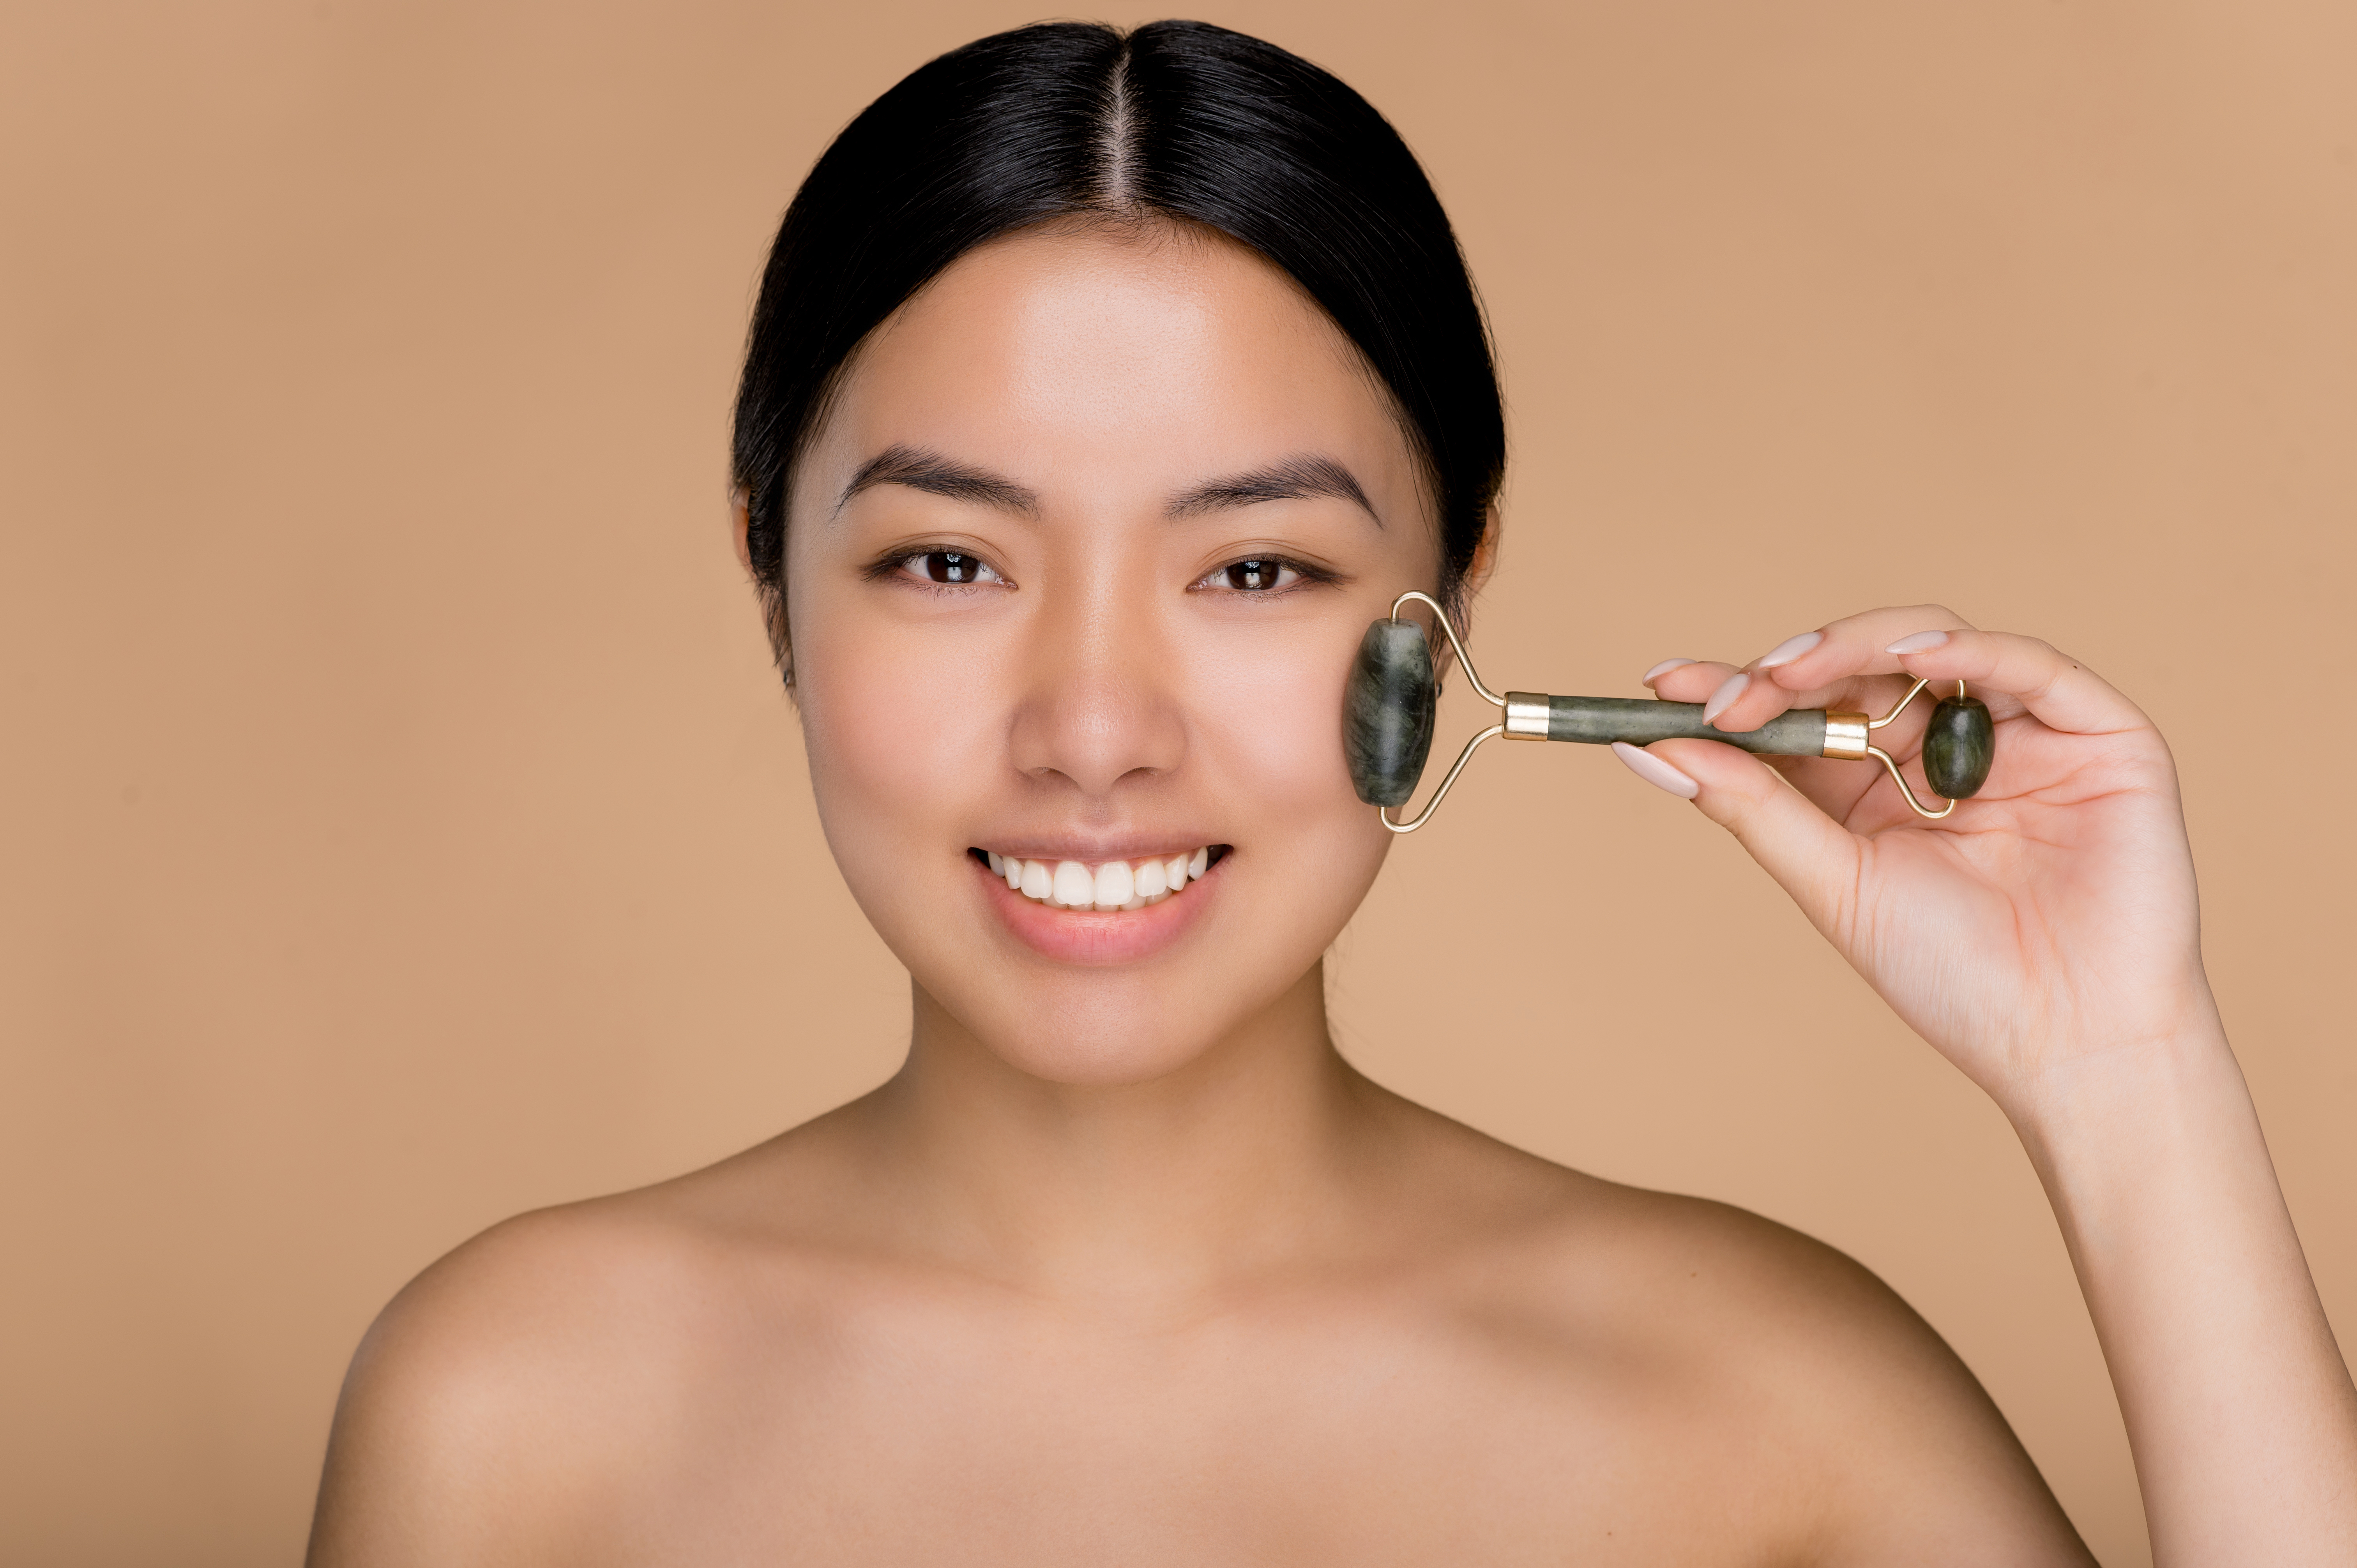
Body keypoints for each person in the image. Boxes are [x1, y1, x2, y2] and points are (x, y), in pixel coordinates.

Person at [306, 20, 2357, 1564]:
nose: (1093, 728)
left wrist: (2123, 1073)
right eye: (947, 561)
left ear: (1451, 604)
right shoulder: (511, 1410)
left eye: (1256, 571)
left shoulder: (1771, 1407)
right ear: (774, 578)